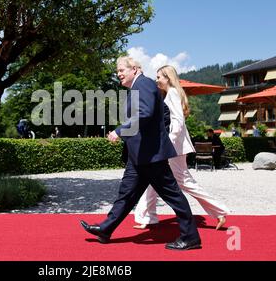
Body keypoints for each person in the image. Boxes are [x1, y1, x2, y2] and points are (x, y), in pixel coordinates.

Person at [80, 56, 201, 250]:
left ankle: (190, 237)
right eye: (117, 71)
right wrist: (159, 132)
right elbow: (162, 113)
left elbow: (144, 113)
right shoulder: (139, 87)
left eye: (121, 70)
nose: (118, 74)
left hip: (151, 155)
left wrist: (120, 131)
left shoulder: (143, 84)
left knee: (173, 196)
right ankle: (105, 228)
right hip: (140, 155)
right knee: (126, 194)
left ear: (134, 69)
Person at [133, 65, 229, 231]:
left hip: (173, 146)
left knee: (182, 180)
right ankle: (147, 216)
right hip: (173, 145)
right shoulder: (170, 94)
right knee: (156, 178)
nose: (156, 80)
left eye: (159, 77)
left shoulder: (172, 93)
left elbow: (178, 122)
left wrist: (167, 143)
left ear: (168, 78)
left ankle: (220, 211)